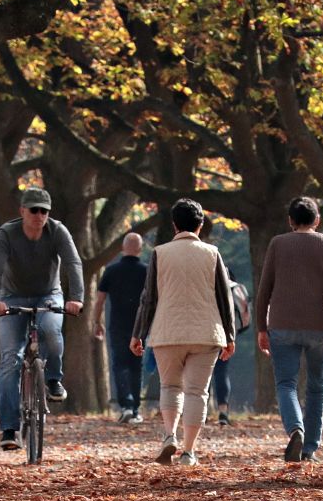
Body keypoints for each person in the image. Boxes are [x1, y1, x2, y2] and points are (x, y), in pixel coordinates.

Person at [131, 198, 238, 466]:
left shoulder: (160, 253)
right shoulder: (212, 253)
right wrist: (230, 335)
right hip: (206, 332)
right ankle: (189, 451)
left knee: (170, 386)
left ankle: (169, 435)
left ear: (174, 225)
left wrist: (138, 333)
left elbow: (149, 298)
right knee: (196, 392)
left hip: (167, 332)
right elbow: (225, 298)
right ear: (200, 225)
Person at [0, 187, 84, 451]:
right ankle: (9, 428)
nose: (39, 215)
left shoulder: (58, 231)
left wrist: (77, 298)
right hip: (12, 296)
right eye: (34, 210)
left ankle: (53, 379)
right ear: (22, 211)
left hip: (48, 295)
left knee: (51, 331)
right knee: (9, 360)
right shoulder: (7, 233)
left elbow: (73, 263)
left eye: (44, 211)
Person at [255, 196, 323, 462]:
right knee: (317, 386)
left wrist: (261, 327)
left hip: (282, 324)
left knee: (286, 383)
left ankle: (295, 427)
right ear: (317, 220)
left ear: (290, 221)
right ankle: (310, 447)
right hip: (320, 325)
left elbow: (264, 290)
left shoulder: (277, 243)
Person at [93, 232, 148, 423]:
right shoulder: (146, 271)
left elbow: (100, 300)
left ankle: (126, 404)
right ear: (140, 249)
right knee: (136, 365)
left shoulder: (111, 270)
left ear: (123, 248)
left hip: (117, 324)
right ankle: (135, 409)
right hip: (140, 325)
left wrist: (96, 321)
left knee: (119, 364)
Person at [210, 271, 252, 427]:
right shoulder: (235, 287)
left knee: (202, 372)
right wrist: (237, 331)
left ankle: (200, 411)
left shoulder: (206, 285)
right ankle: (223, 411)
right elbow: (245, 314)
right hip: (226, 335)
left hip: (204, 333)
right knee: (221, 372)